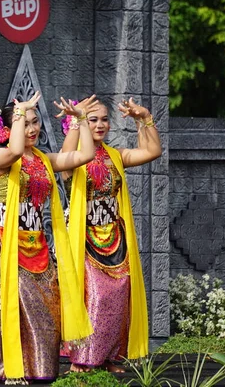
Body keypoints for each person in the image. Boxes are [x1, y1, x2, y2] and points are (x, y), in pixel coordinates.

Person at [0, 92, 98, 384]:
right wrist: (20, 111)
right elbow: (15, 151)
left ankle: (40, 370)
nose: (32, 128)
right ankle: (11, 370)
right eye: (24, 123)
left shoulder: (43, 160)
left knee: (49, 307)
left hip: (37, 243)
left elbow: (84, 156)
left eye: (35, 121)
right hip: (7, 243)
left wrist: (80, 121)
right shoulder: (1, 157)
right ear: (9, 127)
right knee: (17, 307)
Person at [56, 96, 162, 372]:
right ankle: (83, 358)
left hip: (115, 236)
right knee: (95, 297)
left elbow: (152, 151)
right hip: (85, 237)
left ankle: (108, 357)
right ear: (80, 122)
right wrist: (77, 120)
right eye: (94, 119)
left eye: (104, 119)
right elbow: (67, 159)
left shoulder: (115, 156)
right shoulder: (75, 156)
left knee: (119, 294)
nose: (101, 124)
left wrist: (145, 117)